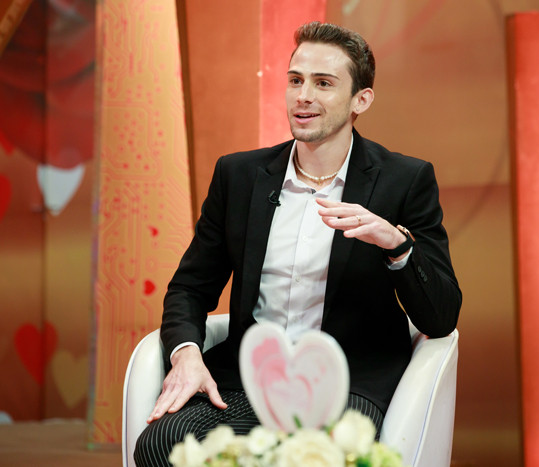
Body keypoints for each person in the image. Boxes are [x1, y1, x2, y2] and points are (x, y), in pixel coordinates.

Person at [134, 21, 461, 466]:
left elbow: (441, 317)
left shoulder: (404, 180)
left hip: (345, 385)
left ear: (361, 99)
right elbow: (190, 288)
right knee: (161, 445)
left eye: (323, 83)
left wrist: (397, 246)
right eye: (295, 80)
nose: (303, 96)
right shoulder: (239, 175)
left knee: (314, 458)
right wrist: (187, 355)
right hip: (247, 380)